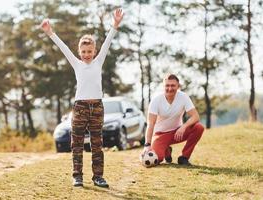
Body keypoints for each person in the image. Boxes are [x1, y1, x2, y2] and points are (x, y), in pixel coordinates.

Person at [40, 8, 124, 187]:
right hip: (80, 108)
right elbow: (63, 48)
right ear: (79, 52)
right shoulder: (76, 64)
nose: (87, 54)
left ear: (94, 51)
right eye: (84, 51)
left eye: (90, 51)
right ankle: (77, 176)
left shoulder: (99, 61)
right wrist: (50, 33)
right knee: (77, 143)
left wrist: (115, 25)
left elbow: (108, 41)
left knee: (97, 144)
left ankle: (98, 177)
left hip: (97, 107)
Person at [143, 74, 204, 166]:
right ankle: (167, 150)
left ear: (178, 86)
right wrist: (147, 145)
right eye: (167, 85)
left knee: (199, 127)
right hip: (160, 134)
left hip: (177, 132)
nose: (170, 88)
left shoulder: (183, 97)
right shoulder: (156, 100)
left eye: (173, 85)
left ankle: (184, 157)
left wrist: (183, 126)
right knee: (157, 159)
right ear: (163, 86)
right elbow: (150, 123)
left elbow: (195, 116)